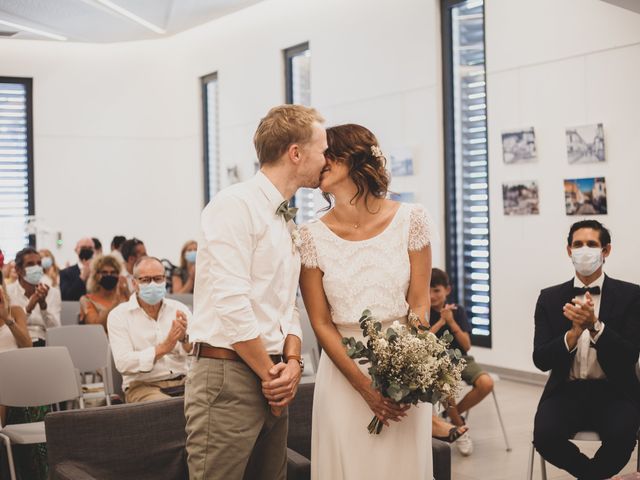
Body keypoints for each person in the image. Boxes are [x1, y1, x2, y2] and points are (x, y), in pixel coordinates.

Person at [185, 104, 326, 480]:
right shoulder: (234, 205)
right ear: (296, 153)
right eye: (323, 150)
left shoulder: (283, 217)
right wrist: (272, 375)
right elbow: (231, 302)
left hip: (273, 371)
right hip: (229, 374)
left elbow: (286, 307)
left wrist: (293, 363)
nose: (327, 159)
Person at [299, 124, 434, 480]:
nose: (320, 161)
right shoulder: (309, 237)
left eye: (327, 153)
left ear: (353, 157)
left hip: (402, 368)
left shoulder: (412, 219)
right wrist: (365, 386)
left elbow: (419, 302)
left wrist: (410, 366)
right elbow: (320, 322)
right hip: (344, 373)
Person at [533, 220, 640, 480]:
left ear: (606, 250)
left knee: (623, 436)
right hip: (566, 391)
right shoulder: (549, 298)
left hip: (615, 391)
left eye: (592, 244)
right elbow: (541, 359)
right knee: (544, 436)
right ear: (569, 250)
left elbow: (629, 355)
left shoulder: (631, 296)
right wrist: (572, 333)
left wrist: (595, 326)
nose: (584, 250)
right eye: (578, 244)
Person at [108, 256, 192, 403]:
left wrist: (184, 339)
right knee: (167, 409)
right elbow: (123, 363)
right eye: (146, 280)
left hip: (184, 380)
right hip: (143, 386)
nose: (153, 284)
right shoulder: (118, 316)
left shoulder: (179, 309)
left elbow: (195, 354)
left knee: (208, 403)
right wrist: (164, 348)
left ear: (165, 280)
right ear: (135, 283)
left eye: (158, 279)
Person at [429, 267, 494, 456]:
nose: (432, 295)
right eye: (428, 290)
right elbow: (422, 341)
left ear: (447, 290)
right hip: (435, 362)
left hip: (461, 357)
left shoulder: (458, 311)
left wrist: (451, 321)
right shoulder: (423, 312)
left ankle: (449, 415)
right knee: (445, 387)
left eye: (436, 290)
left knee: (486, 383)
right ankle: (459, 426)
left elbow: (467, 345)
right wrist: (440, 322)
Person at [6, 247, 61, 346]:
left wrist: (43, 306)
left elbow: (56, 330)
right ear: (18, 270)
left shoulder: (53, 293)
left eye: (39, 264)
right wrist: (28, 309)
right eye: (30, 264)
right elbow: (7, 327)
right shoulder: (8, 293)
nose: (36, 268)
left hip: (45, 342)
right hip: (16, 343)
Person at [79, 255, 129, 332]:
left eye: (113, 273)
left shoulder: (126, 297)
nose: (109, 275)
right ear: (96, 276)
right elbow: (95, 327)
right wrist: (115, 303)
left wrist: (128, 293)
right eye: (104, 273)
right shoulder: (87, 300)